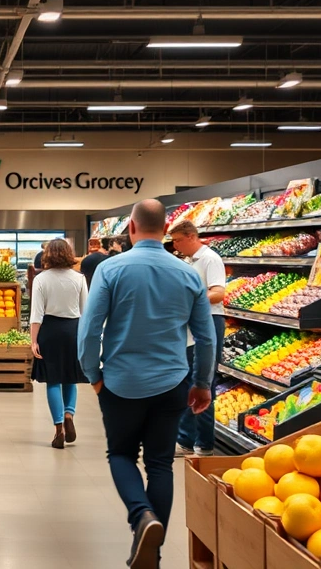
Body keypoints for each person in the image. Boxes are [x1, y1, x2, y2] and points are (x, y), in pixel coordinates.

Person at [77, 199, 216, 569]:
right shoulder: (188, 274)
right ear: (166, 228)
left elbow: (89, 330)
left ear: (132, 229)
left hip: (120, 382)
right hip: (172, 382)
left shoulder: (111, 270)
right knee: (159, 464)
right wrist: (202, 383)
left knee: (121, 454)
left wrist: (93, 374)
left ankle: (141, 516)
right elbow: (206, 338)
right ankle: (152, 554)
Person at [170, 220, 227, 457]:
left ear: (191, 237)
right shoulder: (188, 261)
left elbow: (219, 292)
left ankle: (203, 444)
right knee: (187, 380)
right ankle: (186, 440)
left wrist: (191, 299)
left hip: (209, 323)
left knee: (202, 381)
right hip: (191, 325)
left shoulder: (210, 259)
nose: (174, 246)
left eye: (177, 241)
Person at [30, 239, 89, 449]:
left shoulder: (41, 279)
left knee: (52, 380)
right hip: (73, 330)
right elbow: (85, 312)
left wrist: (34, 340)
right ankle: (69, 414)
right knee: (70, 377)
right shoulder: (79, 278)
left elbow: (36, 314)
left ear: (47, 255)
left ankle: (58, 430)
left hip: (50, 331)